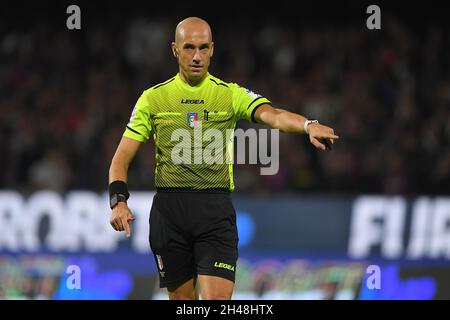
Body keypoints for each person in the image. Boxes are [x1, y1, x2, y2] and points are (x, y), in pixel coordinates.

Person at [108, 17, 339, 300]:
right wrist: (118, 202)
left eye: (203, 48)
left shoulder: (229, 94)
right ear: (174, 50)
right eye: (189, 47)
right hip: (169, 214)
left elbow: (273, 114)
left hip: (215, 213)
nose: (196, 56)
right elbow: (121, 158)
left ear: (212, 49)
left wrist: (307, 125)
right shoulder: (152, 99)